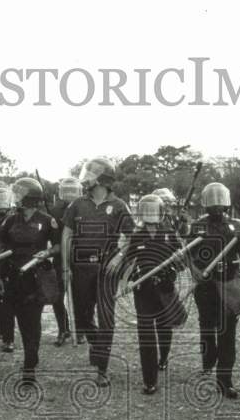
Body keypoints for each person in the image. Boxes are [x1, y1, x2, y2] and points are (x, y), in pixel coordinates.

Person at [63, 158, 134, 387]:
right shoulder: (77, 205)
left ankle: (101, 368)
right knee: (83, 318)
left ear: (102, 179)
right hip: (80, 269)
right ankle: (98, 346)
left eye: (92, 173)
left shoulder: (120, 205)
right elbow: (66, 235)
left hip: (106, 270)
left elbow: (132, 237)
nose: (87, 177)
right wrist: (65, 267)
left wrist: (120, 256)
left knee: (106, 320)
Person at [0, 178, 60, 386]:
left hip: (35, 276)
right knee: (16, 320)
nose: (16, 197)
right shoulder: (11, 220)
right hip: (12, 275)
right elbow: (0, 247)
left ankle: (30, 364)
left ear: (29, 197)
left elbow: (59, 245)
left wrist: (47, 252)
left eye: (20, 193)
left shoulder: (47, 220)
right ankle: (26, 351)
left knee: (32, 321)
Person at [186, 182, 240, 399]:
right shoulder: (198, 227)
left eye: (220, 202)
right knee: (207, 325)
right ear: (205, 204)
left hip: (229, 282)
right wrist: (196, 272)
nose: (217, 207)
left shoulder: (235, 226)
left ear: (226, 202)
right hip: (206, 284)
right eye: (212, 203)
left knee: (227, 332)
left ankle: (225, 380)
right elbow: (189, 254)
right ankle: (208, 359)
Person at [117, 194, 183, 393]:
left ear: (161, 212)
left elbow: (181, 262)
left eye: (155, 211)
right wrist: (126, 280)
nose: (151, 215)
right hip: (143, 290)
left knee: (164, 327)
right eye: (147, 211)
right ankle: (149, 380)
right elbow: (127, 262)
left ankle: (163, 357)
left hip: (164, 288)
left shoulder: (170, 233)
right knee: (145, 332)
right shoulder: (135, 236)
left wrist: (175, 264)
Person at [47, 176, 81, 346]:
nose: (69, 194)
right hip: (60, 259)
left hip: (80, 259)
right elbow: (52, 238)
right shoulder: (53, 211)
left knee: (81, 297)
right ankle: (63, 328)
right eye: (66, 191)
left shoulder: (85, 208)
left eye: (72, 191)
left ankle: (81, 329)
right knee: (58, 297)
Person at [0, 186, 18, 350]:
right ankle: (2, 327)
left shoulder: (15, 219)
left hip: (9, 266)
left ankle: (9, 337)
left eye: (4, 199)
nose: (1, 204)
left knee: (8, 301)